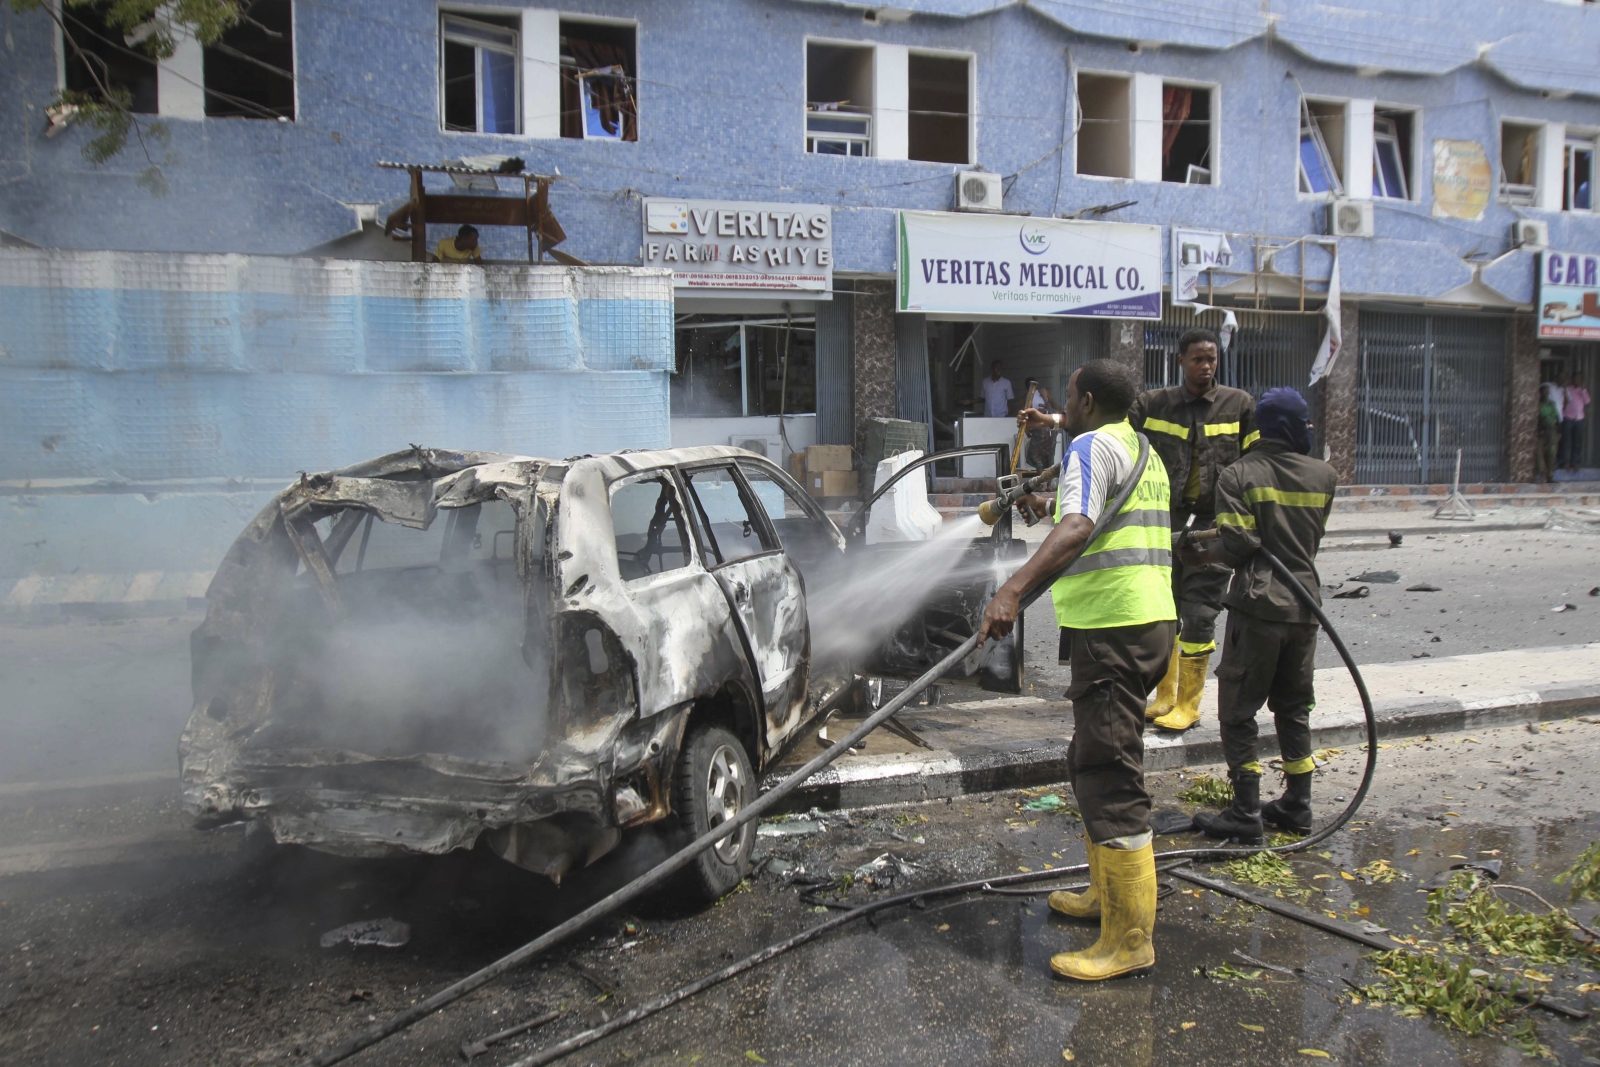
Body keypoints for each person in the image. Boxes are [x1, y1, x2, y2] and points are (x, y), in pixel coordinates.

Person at [979, 359, 1175, 982]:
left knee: (1110, 772)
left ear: (1087, 402)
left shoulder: (1090, 446)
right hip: (1145, 624)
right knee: (1089, 759)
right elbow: (1093, 523)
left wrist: (1011, 589)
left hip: (1114, 628)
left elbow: (1080, 525)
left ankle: (1130, 939)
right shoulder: (1140, 448)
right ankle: (1105, 899)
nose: (1064, 410)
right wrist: (1043, 502)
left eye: (1068, 400)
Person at [1178, 387, 1336, 843]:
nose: (1309, 430)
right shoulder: (1325, 475)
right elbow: (1299, 539)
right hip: (1305, 605)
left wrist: (1201, 556)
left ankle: (1246, 810)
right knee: (1293, 707)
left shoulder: (1239, 474)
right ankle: (1298, 805)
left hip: (1259, 605)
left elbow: (1242, 544)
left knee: (1238, 710)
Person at [1128, 328, 1256, 733]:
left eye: (1212, 359)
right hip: (1164, 523)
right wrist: (1058, 419)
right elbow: (1110, 428)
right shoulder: (1155, 404)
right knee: (1165, 610)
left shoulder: (1239, 405)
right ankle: (1164, 695)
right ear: (1180, 360)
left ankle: (1188, 703)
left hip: (1212, 526)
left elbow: (1257, 462)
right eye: (1198, 359)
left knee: (1199, 612)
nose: (1206, 366)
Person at [1022, 379, 1057, 469]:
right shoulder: (1030, 396)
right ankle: (1047, 482)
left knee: (1037, 454)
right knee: (1047, 453)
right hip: (1047, 426)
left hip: (1042, 425)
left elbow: (1027, 414)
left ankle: (1042, 482)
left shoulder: (1037, 394)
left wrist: (1027, 430)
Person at [1562, 371, 1590, 474]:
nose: (1577, 380)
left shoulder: (1583, 389)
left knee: (1577, 442)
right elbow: (1564, 401)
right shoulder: (1567, 388)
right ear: (1572, 379)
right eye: (1575, 378)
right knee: (1567, 442)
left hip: (1579, 419)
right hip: (1568, 417)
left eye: (1579, 378)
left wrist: (1582, 390)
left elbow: (1587, 402)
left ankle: (1575, 463)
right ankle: (1565, 463)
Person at [1538, 380, 1562, 483]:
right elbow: (1539, 417)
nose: (1546, 393)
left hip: (1552, 432)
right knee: (1540, 453)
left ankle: (1550, 475)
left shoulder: (1552, 404)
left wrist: (1559, 431)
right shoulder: (1538, 404)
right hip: (1542, 431)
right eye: (1544, 391)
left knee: (1552, 453)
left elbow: (1556, 417)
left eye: (1547, 391)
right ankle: (1542, 474)